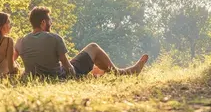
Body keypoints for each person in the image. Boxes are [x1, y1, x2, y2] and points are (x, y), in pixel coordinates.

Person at [15, 6, 148, 78]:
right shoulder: (54, 38)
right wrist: (81, 75)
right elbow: (68, 68)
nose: (51, 23)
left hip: (35, 77)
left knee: (94, 67)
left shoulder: (21, 41)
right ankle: (120, 73)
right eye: (50, 20)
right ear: (43, 22)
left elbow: (11, 63)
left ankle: (100, 71)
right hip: (60, 76)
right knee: (93, 47)